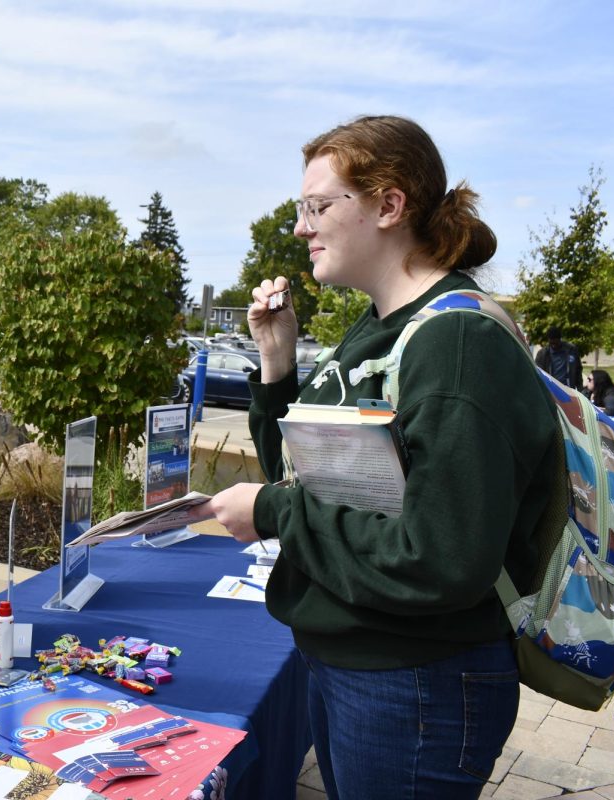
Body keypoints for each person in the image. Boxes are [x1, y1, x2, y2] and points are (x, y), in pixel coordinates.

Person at [207, 116, 560, 799]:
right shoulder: (379, 328)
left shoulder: (457, 343)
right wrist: (278, 363)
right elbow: (310, 473)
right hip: (361, 662)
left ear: (389, 205)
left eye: (318, 207)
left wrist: (275, 512)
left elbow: (441, 558)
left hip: (416, 681)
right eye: (299, 210)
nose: (302, 228)